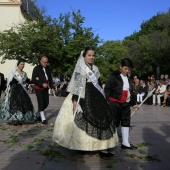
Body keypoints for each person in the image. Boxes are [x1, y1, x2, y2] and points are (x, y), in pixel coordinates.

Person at [53, 47, 118, 154]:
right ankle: (82, 145)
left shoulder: (96, 69)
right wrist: (75, 101)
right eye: (89, 55)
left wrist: (103, 96)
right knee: (85, 115)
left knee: (103, 116)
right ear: (84, 56)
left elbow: (98, 84)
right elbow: (77, 85)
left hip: (96, 95)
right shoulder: (80, 68)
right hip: (83, 95)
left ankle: (103, 145)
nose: (91, 57)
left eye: (93, 55)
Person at [104, 58, 139, 150]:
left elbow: (130, 92)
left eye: (129, 69)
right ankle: (109, 143)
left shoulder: (129, 79)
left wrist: (133, 104)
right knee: (113, 122)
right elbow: (107, 88)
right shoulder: (113, 76)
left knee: (126, 121)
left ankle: (125, 142)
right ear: (120, 66)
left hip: (126, 104)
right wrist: (107, 101)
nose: (127, 71)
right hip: (114, 103)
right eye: (125, 68)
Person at [0, 59, 35, 125]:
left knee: (22, 104)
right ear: (18, 65)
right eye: (21, 64)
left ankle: (20, 118)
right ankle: (14, 119)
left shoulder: (24, 73)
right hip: (14, 91)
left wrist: (35, 80)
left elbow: (28, 81)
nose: (22, 66)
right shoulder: (13, 73)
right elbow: (9, 83)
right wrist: (12, 85)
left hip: (22, 91)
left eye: (23, 64)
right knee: (14, 104)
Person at [32, 56, 55, 124]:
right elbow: (33, 79)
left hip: (46, 88)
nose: (46, 64)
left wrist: (52, 87)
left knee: (46, 102)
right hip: (38, 88)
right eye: (44, 62)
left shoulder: (47, 68)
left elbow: (50, 79)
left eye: (47, 62)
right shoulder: (36, 68)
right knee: (41, 102)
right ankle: (43, 119)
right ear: (41, 61)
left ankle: (38, 114)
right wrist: (41, 83)